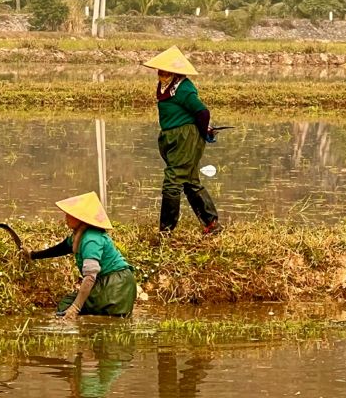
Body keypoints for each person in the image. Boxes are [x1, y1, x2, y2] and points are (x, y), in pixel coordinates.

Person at [143, 45, 222, 235]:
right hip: (172, 137)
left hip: (185, 137)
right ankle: (211, 223)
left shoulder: (184, 88)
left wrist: (204, 132)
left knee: (172, 180)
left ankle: (166, 229)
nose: (162, 74)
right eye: (160, 71)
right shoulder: (165, 87)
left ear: (176, 73)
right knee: (189, 180)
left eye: (166, 71)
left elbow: (202, 112)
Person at [23, 191, 136, 319]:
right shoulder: (79, 235)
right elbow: (61, 248)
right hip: (111, 284)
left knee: (71, 307)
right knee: (69, 306)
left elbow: (90, 277)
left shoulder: (91, 239)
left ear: (80, 218)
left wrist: (75, 308)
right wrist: (32, 255)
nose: (65, 217)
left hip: (115, 287)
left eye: (70, 215)